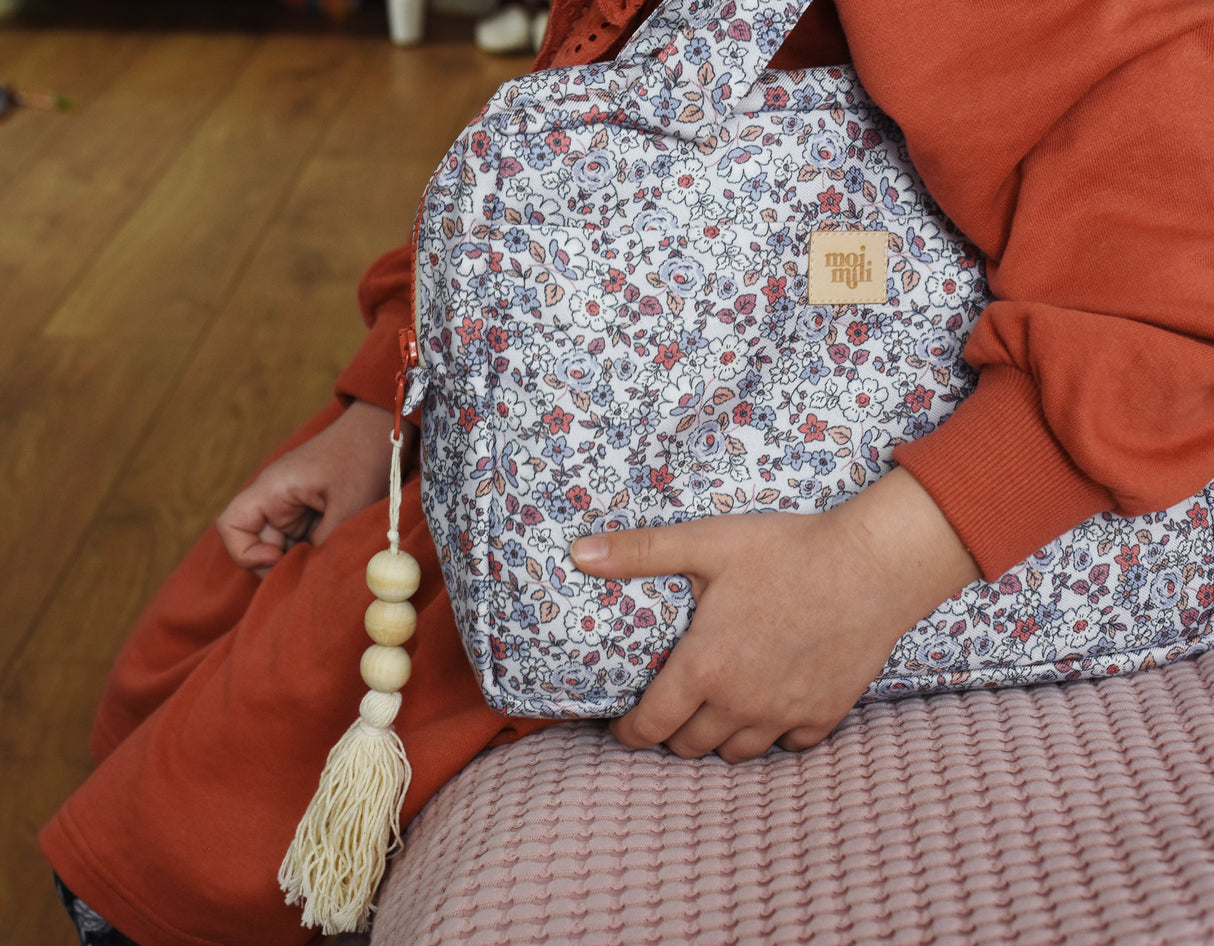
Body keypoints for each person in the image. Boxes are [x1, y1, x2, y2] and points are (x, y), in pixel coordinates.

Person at [41, 0, 1214, 943]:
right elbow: (563, 174)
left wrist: (874, 565)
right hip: (650, 406)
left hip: (886, 479)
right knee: (240, 636)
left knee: (253, 747)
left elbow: (1172, 270)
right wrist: (382, 403)